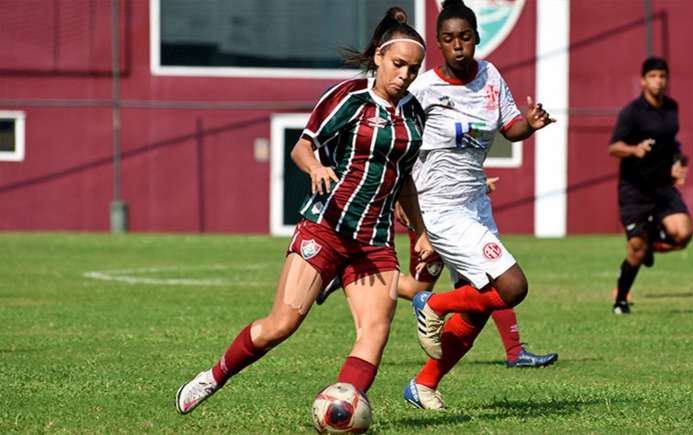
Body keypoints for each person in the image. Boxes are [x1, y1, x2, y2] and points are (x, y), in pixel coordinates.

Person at [174, 7, 431, 415]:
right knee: (282, 325)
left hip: (375, 239)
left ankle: (341, 410)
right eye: (398, 64)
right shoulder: (349, 98)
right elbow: (302, 146)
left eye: (413, 70)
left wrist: (420, 231)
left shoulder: (415, 114)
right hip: (326, 227)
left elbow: (404, 177)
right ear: (379, 58)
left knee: (375, 331)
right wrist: (315, 167)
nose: (404, 75)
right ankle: (214, 376)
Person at [401, 0, 555, 410]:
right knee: (512, 286)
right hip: (438, 208)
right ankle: (431, 304)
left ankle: (424, 384)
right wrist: (406, 206)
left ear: (476, 38)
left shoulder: (490, 76)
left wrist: (530, 123)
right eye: (449, 39)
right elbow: (400, 145)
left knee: (481, 304)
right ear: (438, 43)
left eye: (465, 38)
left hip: (475, 205)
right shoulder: (422, 90)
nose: (458, 46)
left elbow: (510, 127)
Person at [394, 180, 558, 369]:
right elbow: (409, 162)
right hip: (431, 219)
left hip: (457, 215)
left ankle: (514, 352)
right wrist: (402, 198)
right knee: (416, 288)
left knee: (491, 279)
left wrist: (475, 183)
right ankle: (361, 281)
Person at [608, 57, 693, 315]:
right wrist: (634, 149)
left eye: (662, 76)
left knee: (683, 233)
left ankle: (650, 242)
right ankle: (620, 299)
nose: (658, 81)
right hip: (635, 189)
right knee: (635, 250)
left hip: (662, 187)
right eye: (653, 76)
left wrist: (678, 163)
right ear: (643, 80)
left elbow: (674, 143)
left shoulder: (672, 108)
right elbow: (614, 147)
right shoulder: (632, 112)